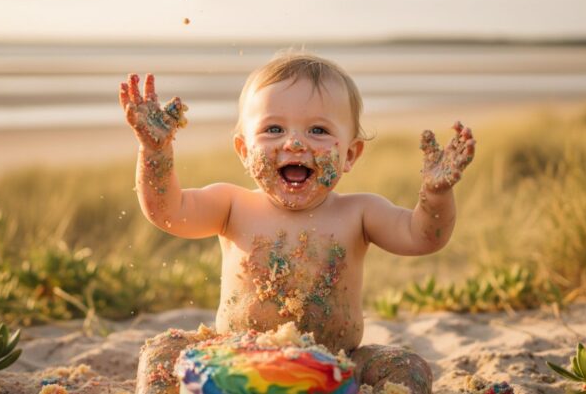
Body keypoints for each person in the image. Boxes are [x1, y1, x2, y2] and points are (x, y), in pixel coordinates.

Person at [119, 52, 476, 394]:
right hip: (232, 359)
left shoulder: (360, 212)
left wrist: (436, 195)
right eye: (273, 129)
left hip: (335, 364)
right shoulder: (231, 204)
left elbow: (423, 237)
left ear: (349, 154)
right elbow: (167, 211)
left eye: (318, 131)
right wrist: (155, 153)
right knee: (161, 351)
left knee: (408, 366)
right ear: (244, 151)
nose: (293, 142)